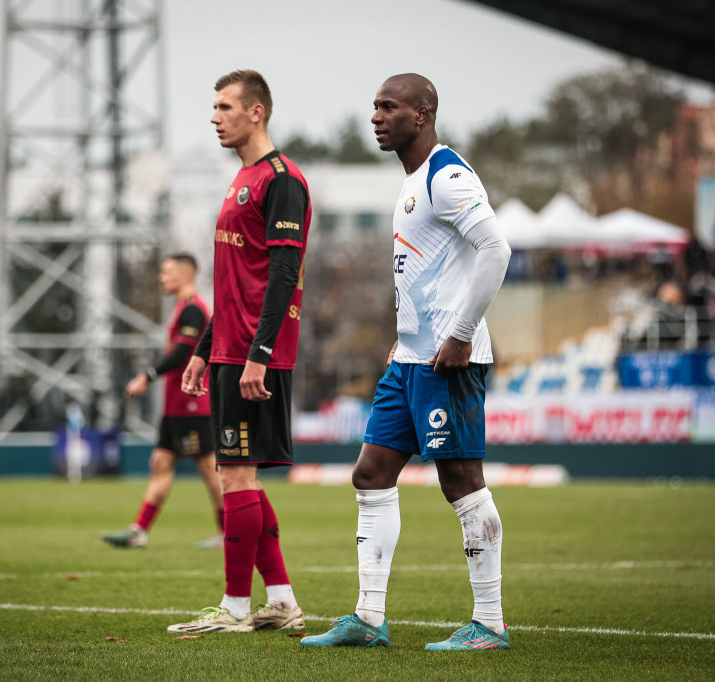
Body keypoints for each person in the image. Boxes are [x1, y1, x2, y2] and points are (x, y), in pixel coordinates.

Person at [301, 73, 512, 651]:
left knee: (462, 483)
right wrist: (405, 338)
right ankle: (368, 619)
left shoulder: (446, 175)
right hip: (411, 359)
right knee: (370, 474)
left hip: (449, 360)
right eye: (373, 107)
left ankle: (489, 625)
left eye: (388, 107)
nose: (376, 116)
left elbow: (497, 248)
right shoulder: (412, 180)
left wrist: (461, 335)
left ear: (421, 115)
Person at [167, 69, 311, 634]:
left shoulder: (282, 180)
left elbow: (282, 274)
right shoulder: (242, 179)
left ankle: (232, 609)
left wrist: (259, 352)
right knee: (239, 477)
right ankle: (281, 600)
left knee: (236, 477)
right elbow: (233, 280)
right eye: (214, 107)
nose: (214, 116)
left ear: (257, 112)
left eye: (225, 106)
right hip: (230, 349)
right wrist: (205, 349)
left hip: (255, 354)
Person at [101, 253, 224, 550]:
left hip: (192, 404)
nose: (161, 277)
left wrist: (147, 375)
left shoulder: (194, 310)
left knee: (210, 469)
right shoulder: (183, 308)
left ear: (185, 274)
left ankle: (229, 533)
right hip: (175, 407)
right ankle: (139, 530)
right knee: (161, 462)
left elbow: (183, 352)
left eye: (167, 271)